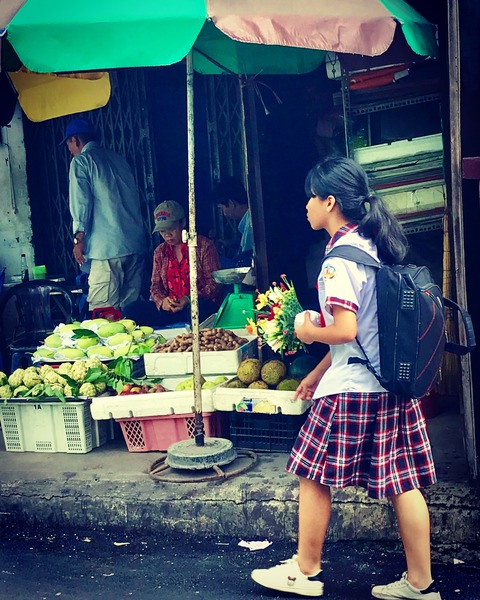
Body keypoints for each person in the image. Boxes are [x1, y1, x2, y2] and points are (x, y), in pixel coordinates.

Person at [251, 157, 441, 600]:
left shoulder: (337, 259)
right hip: (386, 385)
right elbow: (367, 332)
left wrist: (304, 330)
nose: (306, 206)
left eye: (311, 197)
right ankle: (420, 584)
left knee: (311, 473)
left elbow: (345, 330)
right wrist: (320, 372)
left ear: (330, 201)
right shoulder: (370, 245)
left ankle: (305, 569)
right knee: (403, 482)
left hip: (354, 392)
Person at [62, 118, 146, 312]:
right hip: (134, 246)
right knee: (130, 312)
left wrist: (78, 239)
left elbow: (81, 202)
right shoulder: (119, 159)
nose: (69, 148)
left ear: (75, 140)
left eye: (68, 143)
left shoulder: (81, 161)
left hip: (106, 250)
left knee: (104, 315)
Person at [123, 200, 223, 327]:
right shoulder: (160, 251)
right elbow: (155, 286)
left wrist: (188, 299)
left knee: (202, 309)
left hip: (197, 305)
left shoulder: (204, 245)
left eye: (171, 229)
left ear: (183, 222)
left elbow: (215, 284)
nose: (167, 235)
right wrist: (162, 302)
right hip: (171, 308)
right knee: (132, 310)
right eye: (162, 231)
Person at [212, 177, 254, 267]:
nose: (224, 213)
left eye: (222, 208)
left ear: (231, 203)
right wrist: (232, 243)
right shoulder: (249, 221)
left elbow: (246, 263)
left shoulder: (251, 226)